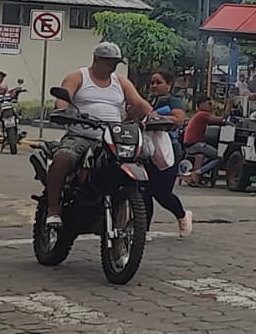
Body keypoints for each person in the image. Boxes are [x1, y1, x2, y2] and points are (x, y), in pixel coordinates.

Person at [44, 43, 157, 228]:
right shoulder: (77, 77)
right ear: (96, 60)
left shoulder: (121, 82)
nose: (112, 66)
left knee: (143, 157)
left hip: (114, 137)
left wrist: (154, 116)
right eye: (109, 62)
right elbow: (62, 101)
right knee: (64, 158)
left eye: (116, 63)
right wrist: (63, 111)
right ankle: (53, 208)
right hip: (81, 135)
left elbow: (138, 103)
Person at [143, 71, 193, 237]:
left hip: (168, 150)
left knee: (161, 193)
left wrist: (157, 117)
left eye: (158, 82)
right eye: (152, 83)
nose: (154, 86)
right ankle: (143, 230)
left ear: (169, 85)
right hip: (148, 150)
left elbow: (179, 119)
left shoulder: (173, 101)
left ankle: (182, 215)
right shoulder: (148, 101)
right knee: (144, 191)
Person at [181, 100, 225, 186]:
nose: (211, 106)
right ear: (201, 105)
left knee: (207, 155)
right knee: (220, 156)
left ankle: (196, 174)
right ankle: (197, 172)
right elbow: (221, 120)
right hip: (195, 143)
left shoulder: (199, 115)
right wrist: (228, 107)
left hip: (189, 143)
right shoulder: (202, 114)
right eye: (209, 104)